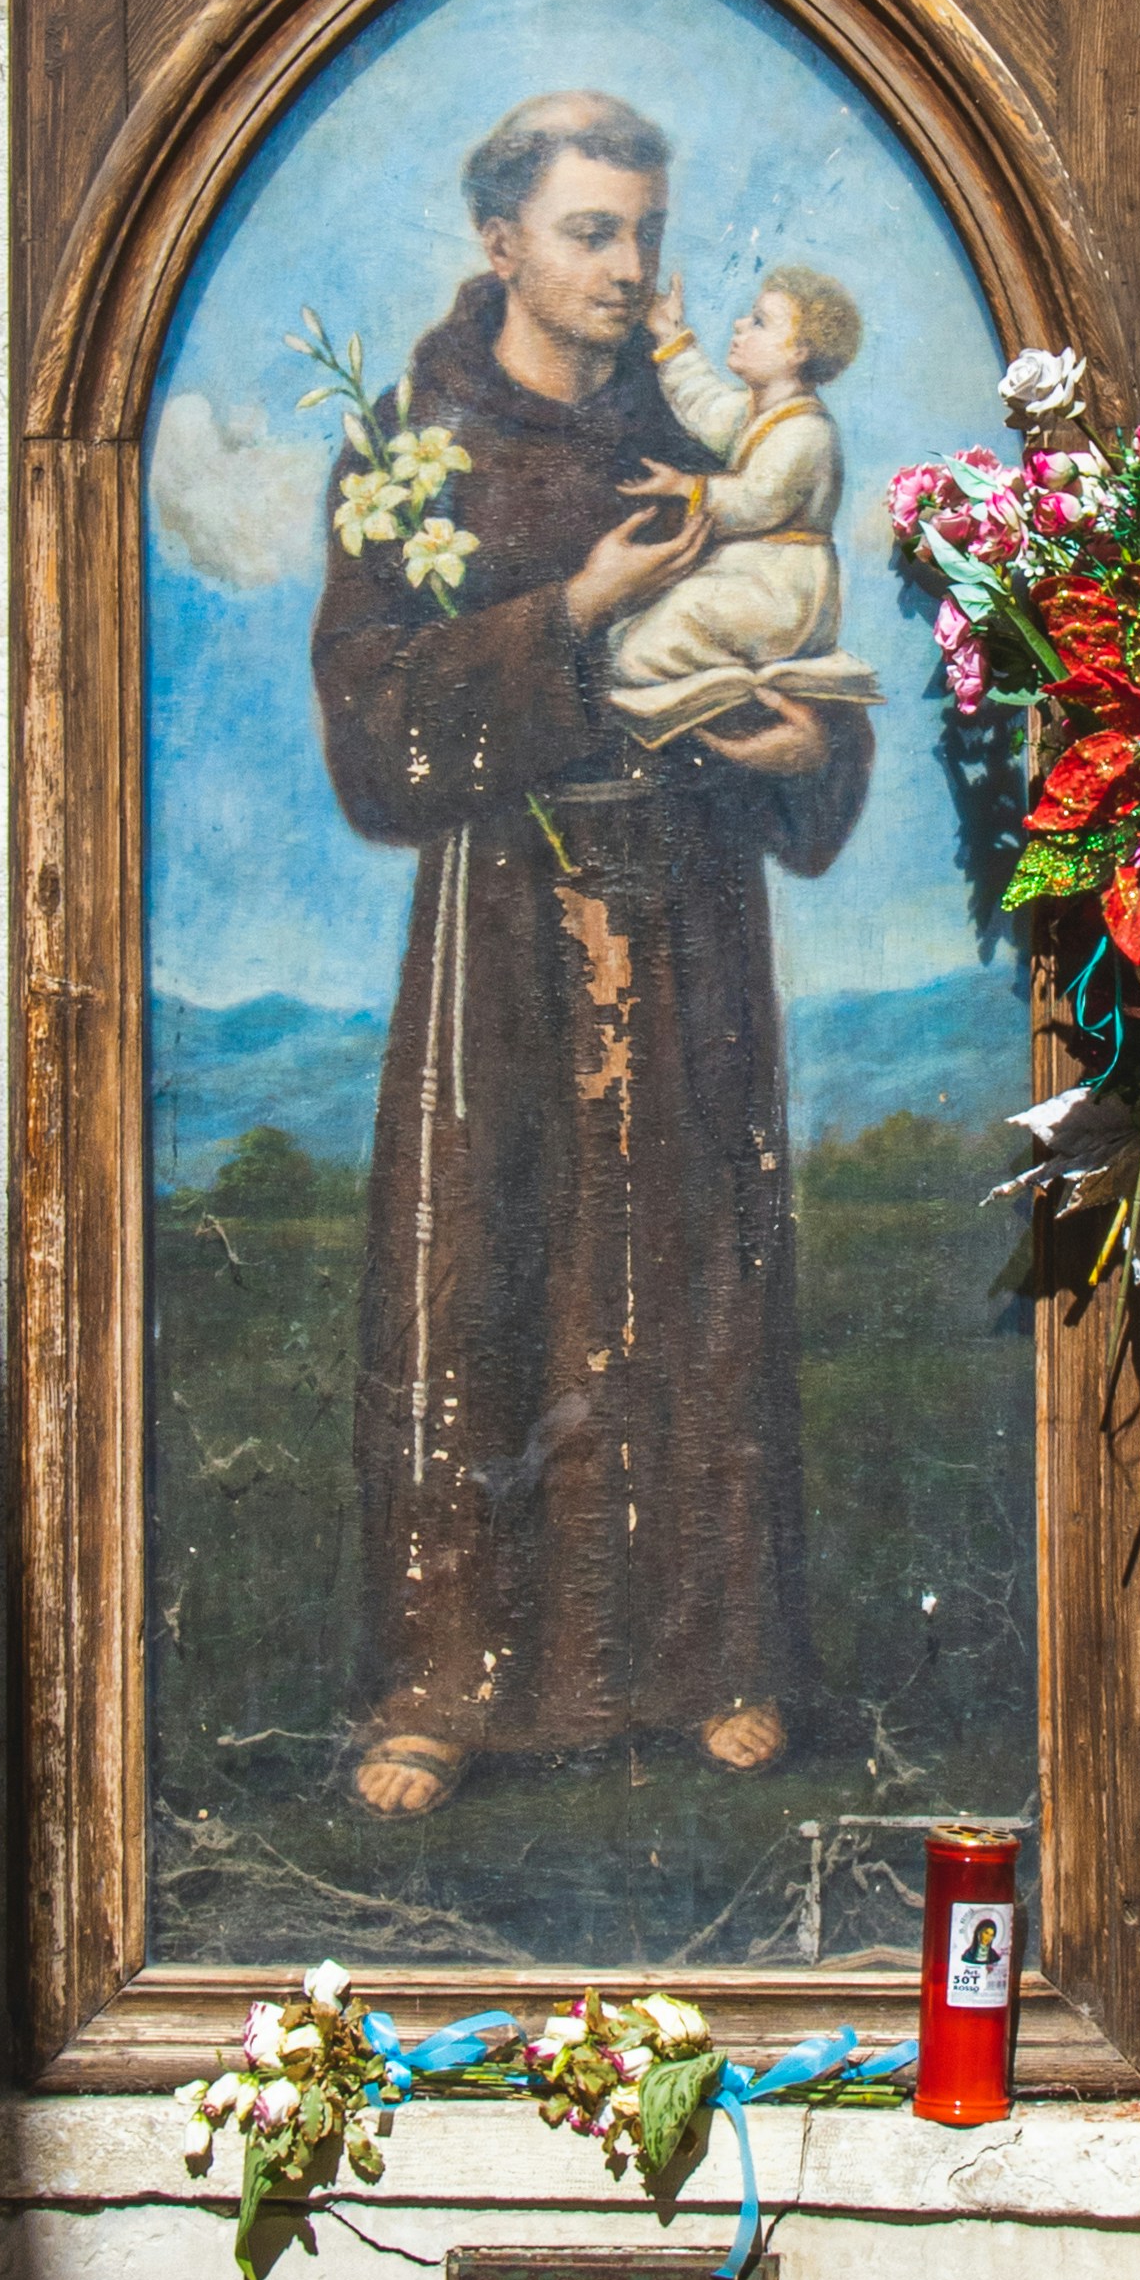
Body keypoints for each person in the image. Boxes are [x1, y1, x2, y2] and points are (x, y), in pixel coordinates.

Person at [309, 93, 873, 1824]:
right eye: (588, 232)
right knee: (482, 1265)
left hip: (689, 902)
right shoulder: (413, 440)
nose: (630, 268)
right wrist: (564, 615)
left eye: (642, 230)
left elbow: (801, 608)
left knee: (694, 1262)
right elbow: (366, 731)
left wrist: (803, 757)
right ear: (501, 243)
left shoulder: (696, 431)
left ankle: (714, 1658)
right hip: (499, 923)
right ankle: (446, 1682)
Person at [604, 266, 879, 752]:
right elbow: (703, 405)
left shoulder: (808, 431)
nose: (738, 326)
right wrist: (670, 333)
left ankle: (723, 697)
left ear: (799, 352)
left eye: (759, 321)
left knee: (667, 629)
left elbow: (759, 500)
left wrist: (685, 485)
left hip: (786, 595)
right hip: (750, 579)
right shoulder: (754, 411)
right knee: (635, 633)